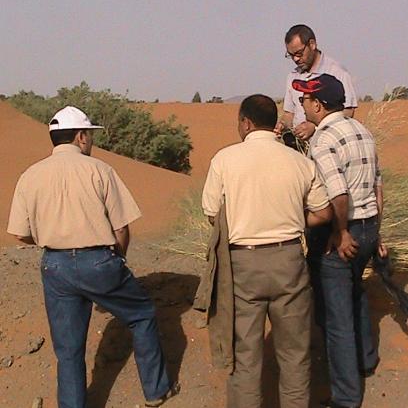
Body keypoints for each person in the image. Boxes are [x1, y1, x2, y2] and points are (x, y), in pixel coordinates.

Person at [7, 106, 178, 408]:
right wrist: (118, 259)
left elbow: (20, 233)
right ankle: (156, 390)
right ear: (82, 137)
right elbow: (122, 227)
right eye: (90, 135)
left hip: (55, 266)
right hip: (98, 261)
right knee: (141, 316)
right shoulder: (100, 170)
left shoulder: (30, 175)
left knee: (68, 349)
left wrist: (50, 238)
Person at [202, 94, 332, 408]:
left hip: (242, 263)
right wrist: (293, 220)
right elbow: (324, 212)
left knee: (245, 357)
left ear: (245, 122)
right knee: (295, 356)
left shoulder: (224, 159)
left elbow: (210, 212)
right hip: (289, 260)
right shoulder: (300, 161)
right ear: (273, 123)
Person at [292, 74, 386, 408]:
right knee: (356, 292)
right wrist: (378, 233)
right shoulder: (362, 131)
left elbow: (338, 193)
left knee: (336, 317)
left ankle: (346, 397)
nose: (302, 105)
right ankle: (366, 359)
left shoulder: (324, 139)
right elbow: (377, 185)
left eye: (305, 100)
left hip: (340, 233)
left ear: (318, 104)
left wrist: (340, 232)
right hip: (369, 226)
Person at [276, 24, 358, 141]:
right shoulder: (292, 76)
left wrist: (315, 126)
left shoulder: (337, 72)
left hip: (328, 142)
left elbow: (348, 111)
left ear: (312, 44)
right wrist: (282, 125)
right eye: (291, 55)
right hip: (299, 148)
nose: (295, 59)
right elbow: (289, 114)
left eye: (299, 53)